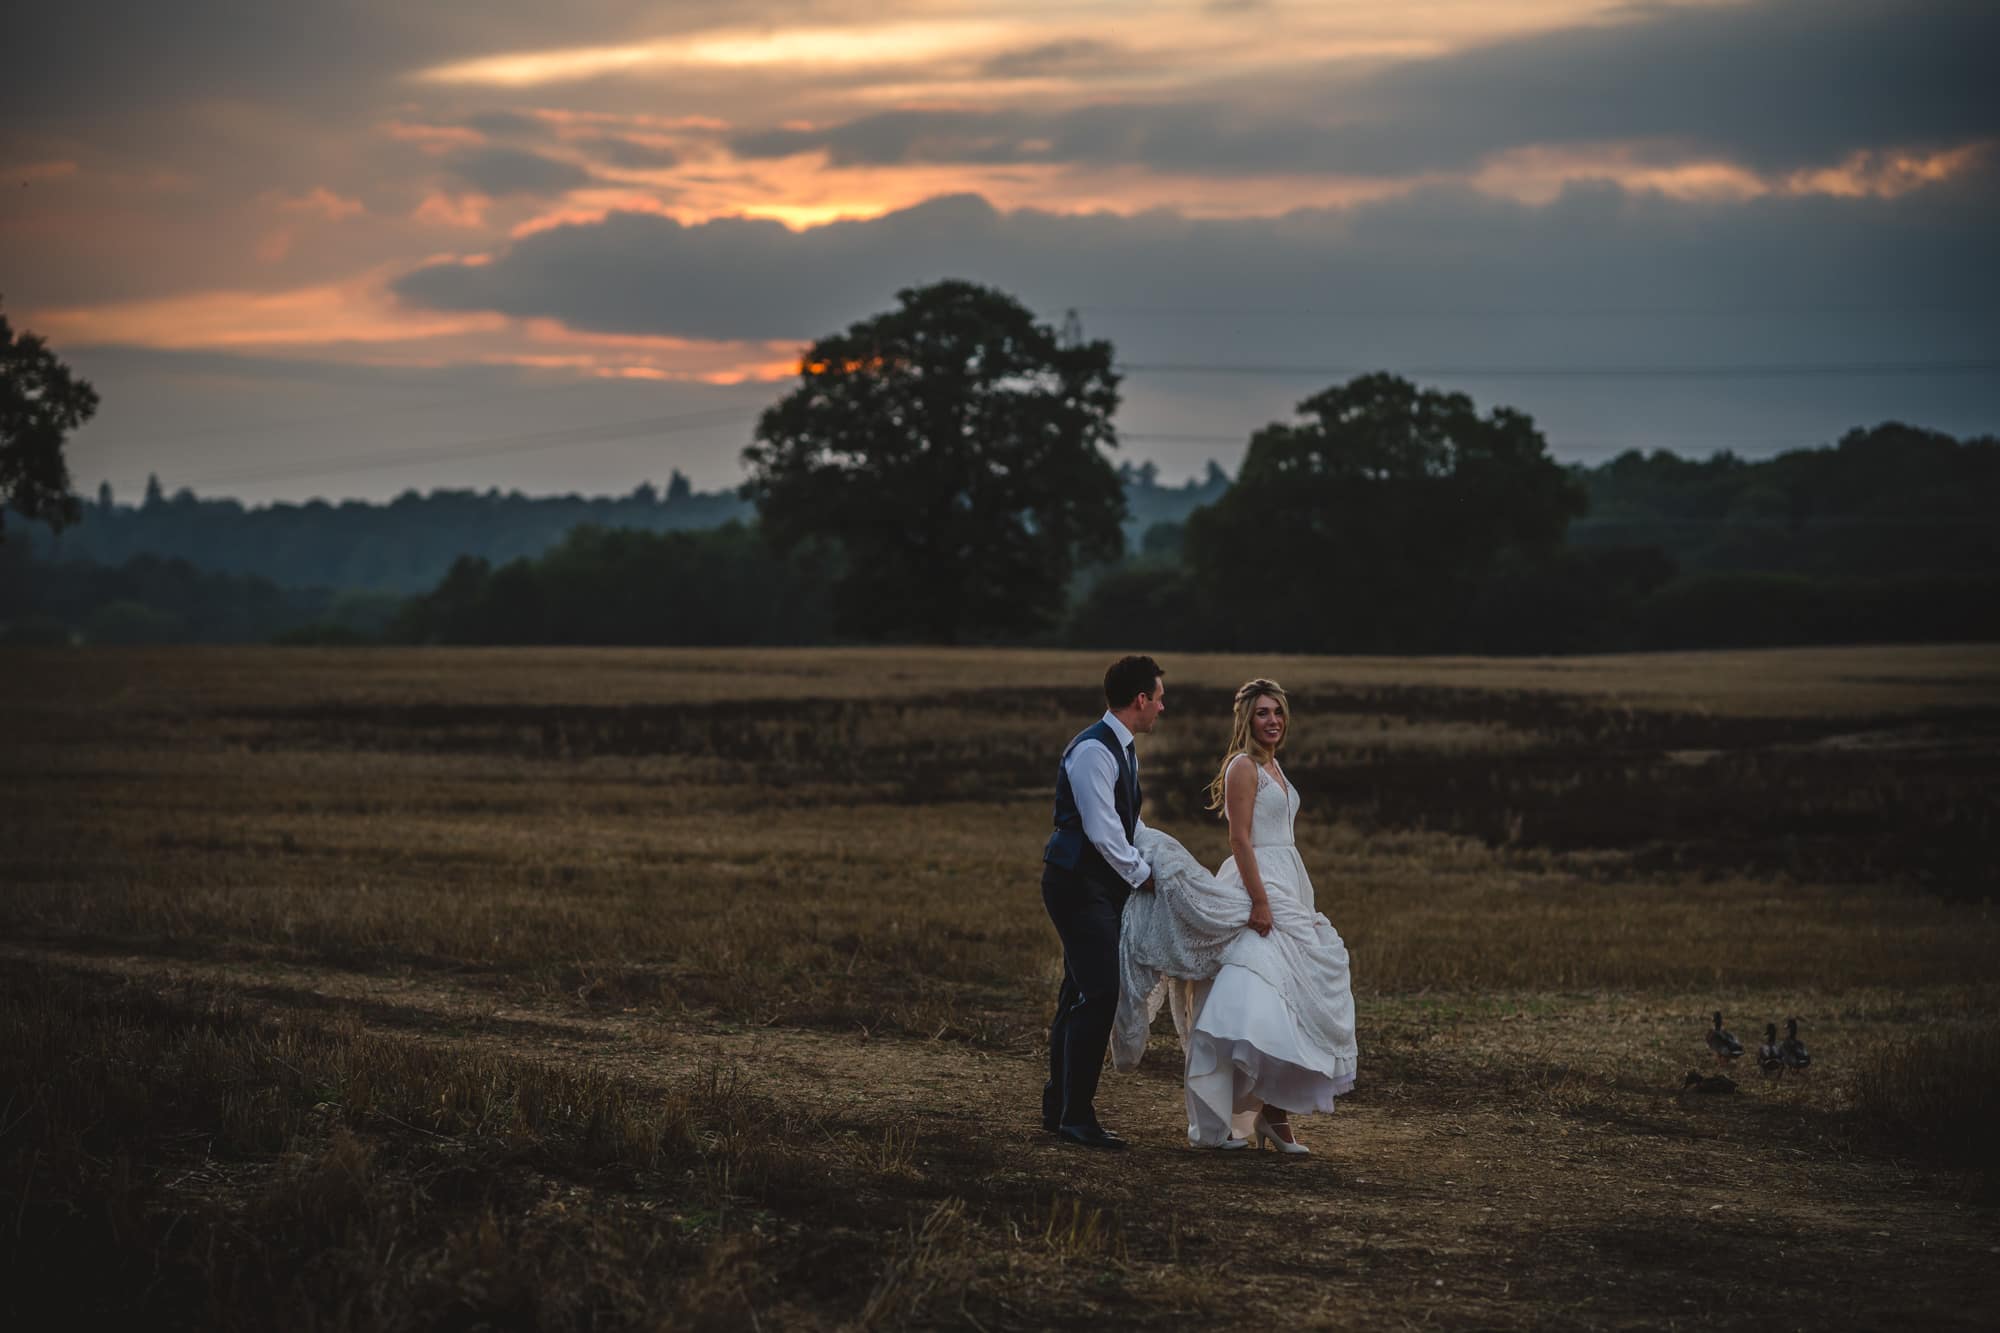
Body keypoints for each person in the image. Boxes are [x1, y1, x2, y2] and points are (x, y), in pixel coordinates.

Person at [1113, 678, 1357, 1152]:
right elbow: (1240, 839)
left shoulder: (1275, 765)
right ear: (1246, 719)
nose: (1273, 721)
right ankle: (1227, 1117)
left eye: (1278, 712)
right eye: (1263, 713)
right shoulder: (1243, 768)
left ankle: (1272, 1114)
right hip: (1256, 880)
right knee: (1250, 991)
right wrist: (1260, 900)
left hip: (1290, 878)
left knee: (1292, 996)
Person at [1040, 654, 1165, 1150]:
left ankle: (1060, 1109)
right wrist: (1142, 875)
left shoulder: (1122, 746)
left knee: (1077, 994)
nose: (1162, 707)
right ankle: (1076, 1116)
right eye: (1158, 698)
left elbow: (1126, 823)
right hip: (1075, 882)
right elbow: (1102, 830)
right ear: (1140, 700)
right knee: (1099, 994)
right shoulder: (1095, 749)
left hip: (1091, 885)